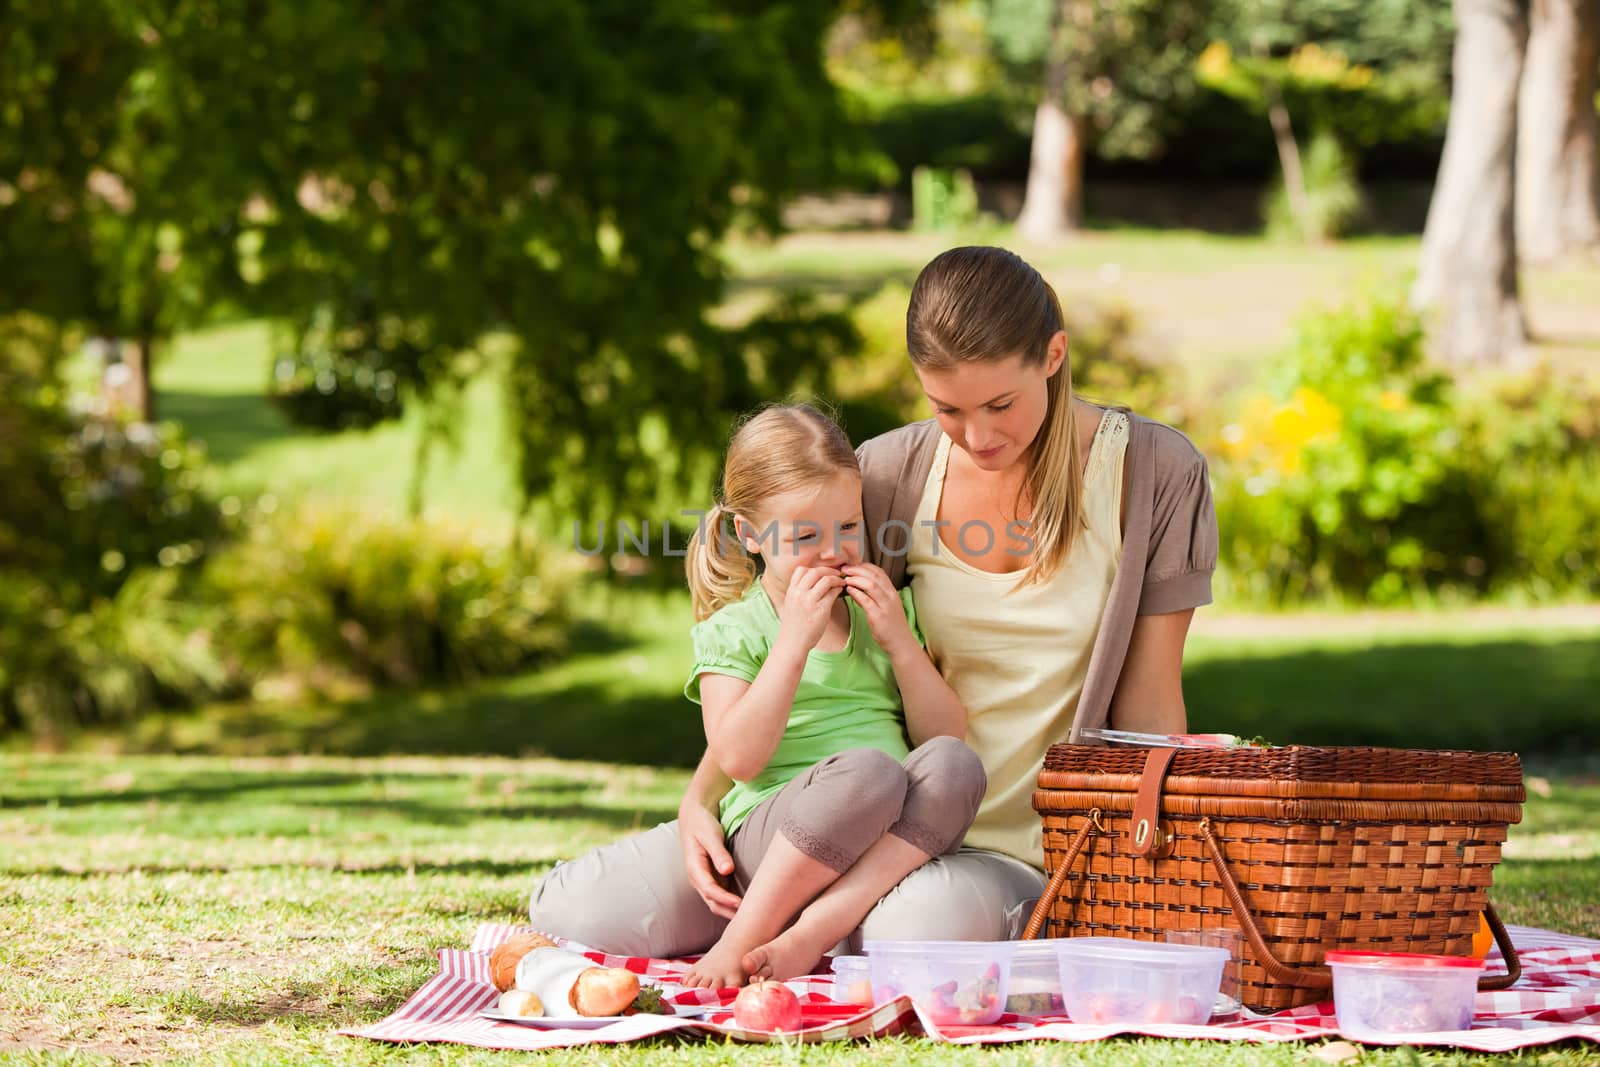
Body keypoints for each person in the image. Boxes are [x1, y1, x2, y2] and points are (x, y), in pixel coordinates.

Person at [529, 245, 1216, 958]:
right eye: (946, 407)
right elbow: (802, 651)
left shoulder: (1156, 473)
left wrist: (1151, 872)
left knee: (912, 929)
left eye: (1000, 404)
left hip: (998, 845)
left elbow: (1149, 711)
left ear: (1054, 354)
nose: (978, 437)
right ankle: (780, 923)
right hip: (842, 815)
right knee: (577, 908)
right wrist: (698, 798)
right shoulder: (888, 475)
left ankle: (791, 931)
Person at [671, 404, 985, 987]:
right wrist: (793, 642)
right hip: (780, 839)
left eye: (848, 527)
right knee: (870, 772)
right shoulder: (735, 630)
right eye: (806, 536)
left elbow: (943, 734)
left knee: (956, 763)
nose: (834, 549)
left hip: (887, 832)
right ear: (752, 536)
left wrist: (900, 643)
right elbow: (738, 758)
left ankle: (814, 931)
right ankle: (742, 939)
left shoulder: (885, 612)